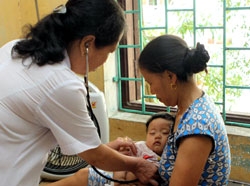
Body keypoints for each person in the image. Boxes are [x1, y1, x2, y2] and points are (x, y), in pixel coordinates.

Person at [0, 1, 158, 186]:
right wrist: (138, 166)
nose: (105, 61)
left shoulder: (16, 47)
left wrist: (103, 149)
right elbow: (96, 158)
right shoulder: (62, 85)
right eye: (109, 52)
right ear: (87, 43)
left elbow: (84, 147)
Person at [137, 34, 231, 186]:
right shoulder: (189, 107)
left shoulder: (197, 126)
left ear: (170, 77)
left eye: (150, 83)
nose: (152, 91)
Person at [47, 112, 174, 186]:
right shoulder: (140, 146)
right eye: (152, 133)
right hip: (112, 179)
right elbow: (103, 155)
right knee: (83, 174)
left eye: (164, 132)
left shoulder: (172, 156)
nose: (157, 136)